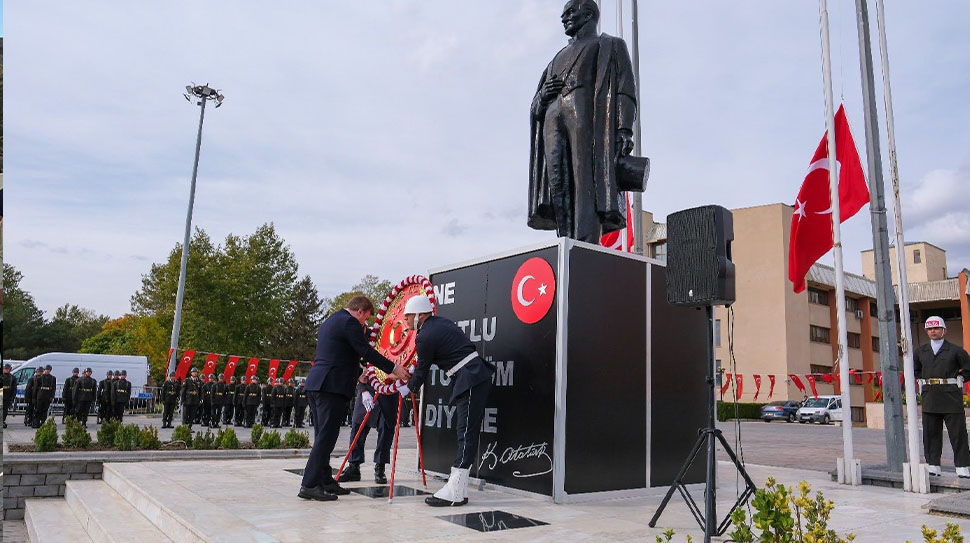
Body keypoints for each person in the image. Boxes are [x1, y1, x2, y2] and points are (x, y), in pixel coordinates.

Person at [527, 0, 638, 243]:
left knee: (585, 181)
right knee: (558, 184)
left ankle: (585, 244)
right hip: (552, 120)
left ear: (588, 14)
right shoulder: (556, 59)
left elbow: (624, 89)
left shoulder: (609, 45)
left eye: (569, 13)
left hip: (589, 119)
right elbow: (535, 106)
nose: (563, 18)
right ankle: (565, 242)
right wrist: (543, 96)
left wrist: (624, 129)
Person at [298, 296, 408, 502]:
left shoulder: (332, 320)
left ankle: (324, 479)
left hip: (319, 384)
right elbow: (366, 351)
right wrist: (394, 368)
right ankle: (309, 484)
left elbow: (338, 355)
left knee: (324, 435)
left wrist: (358, 373)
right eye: (365, 318)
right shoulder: (349, 323)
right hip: (330, 387)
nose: (364, 324)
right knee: (326, 437)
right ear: (360, 311)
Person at [400, 295, 495, 507]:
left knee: (466, 433)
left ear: (420, 315)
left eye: (408, 317)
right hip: (471, 376)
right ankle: (459, 490)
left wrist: (405, 388)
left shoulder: (425, 335)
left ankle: (454, 490)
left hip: (469, 378)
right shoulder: (440, 323)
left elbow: (422, 370)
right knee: (465, 432)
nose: (405, 322)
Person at [915, 316, 970, 478]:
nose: (933, 331)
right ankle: (933, 465)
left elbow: (968, 368)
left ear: (944, 330)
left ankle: (962, 466)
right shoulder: (920, 352)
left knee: (958, 433)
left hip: (951, 397)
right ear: (926, 331)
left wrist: (960, 379)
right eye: (930, 329)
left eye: (937, 328)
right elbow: (915, 370)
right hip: (930, 397)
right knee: (931, 434)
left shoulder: (956, 350)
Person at [342, 374, 397, 485]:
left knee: (385, 431)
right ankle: (354, 466)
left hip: (389, 393)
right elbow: (358, 368)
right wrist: (362, 389)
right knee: (357, 428)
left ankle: (380, 467)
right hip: (368, 391)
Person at [2, 363, 16, 428]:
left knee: (5, 410)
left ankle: (2, 421)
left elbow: (14, 389)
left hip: (7, 396)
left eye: (8, 369)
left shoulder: (12, 377)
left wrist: (12, 398)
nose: (7, 370)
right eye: (5, 368)